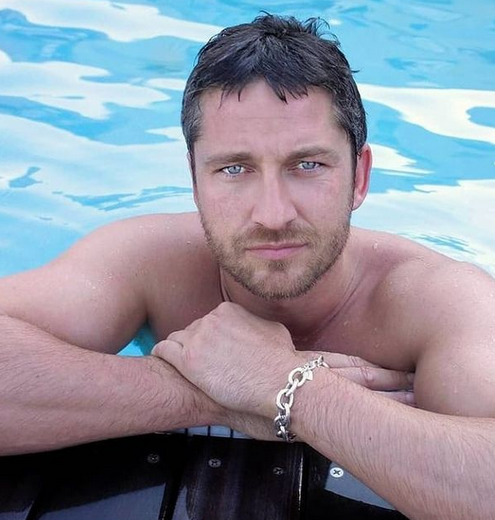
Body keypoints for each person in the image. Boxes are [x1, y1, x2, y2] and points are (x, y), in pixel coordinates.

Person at [0, 13, 493, 519]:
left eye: (308, 165)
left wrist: (295, 390)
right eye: (234, 169)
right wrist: (208, 394)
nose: (273, 215)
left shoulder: (439, 300)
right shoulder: (146, 263)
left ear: (359, 177)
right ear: (195, 181)